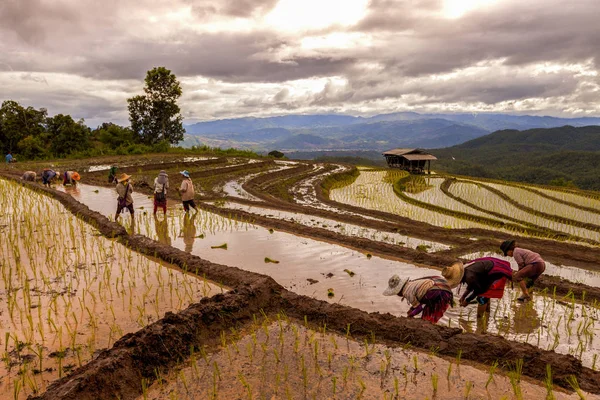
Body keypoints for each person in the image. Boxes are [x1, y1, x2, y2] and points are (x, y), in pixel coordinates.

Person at [383, 265, 459, 323]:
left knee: (431, 318)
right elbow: (419, 300)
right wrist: (411, 309)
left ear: (399, 291)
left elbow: (419, 307)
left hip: (440, 293)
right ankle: (427, 324)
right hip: (441, 288)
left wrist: (410, 315)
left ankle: (429, 328)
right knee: (426, 314)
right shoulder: (410, 284)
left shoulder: (407, 292)